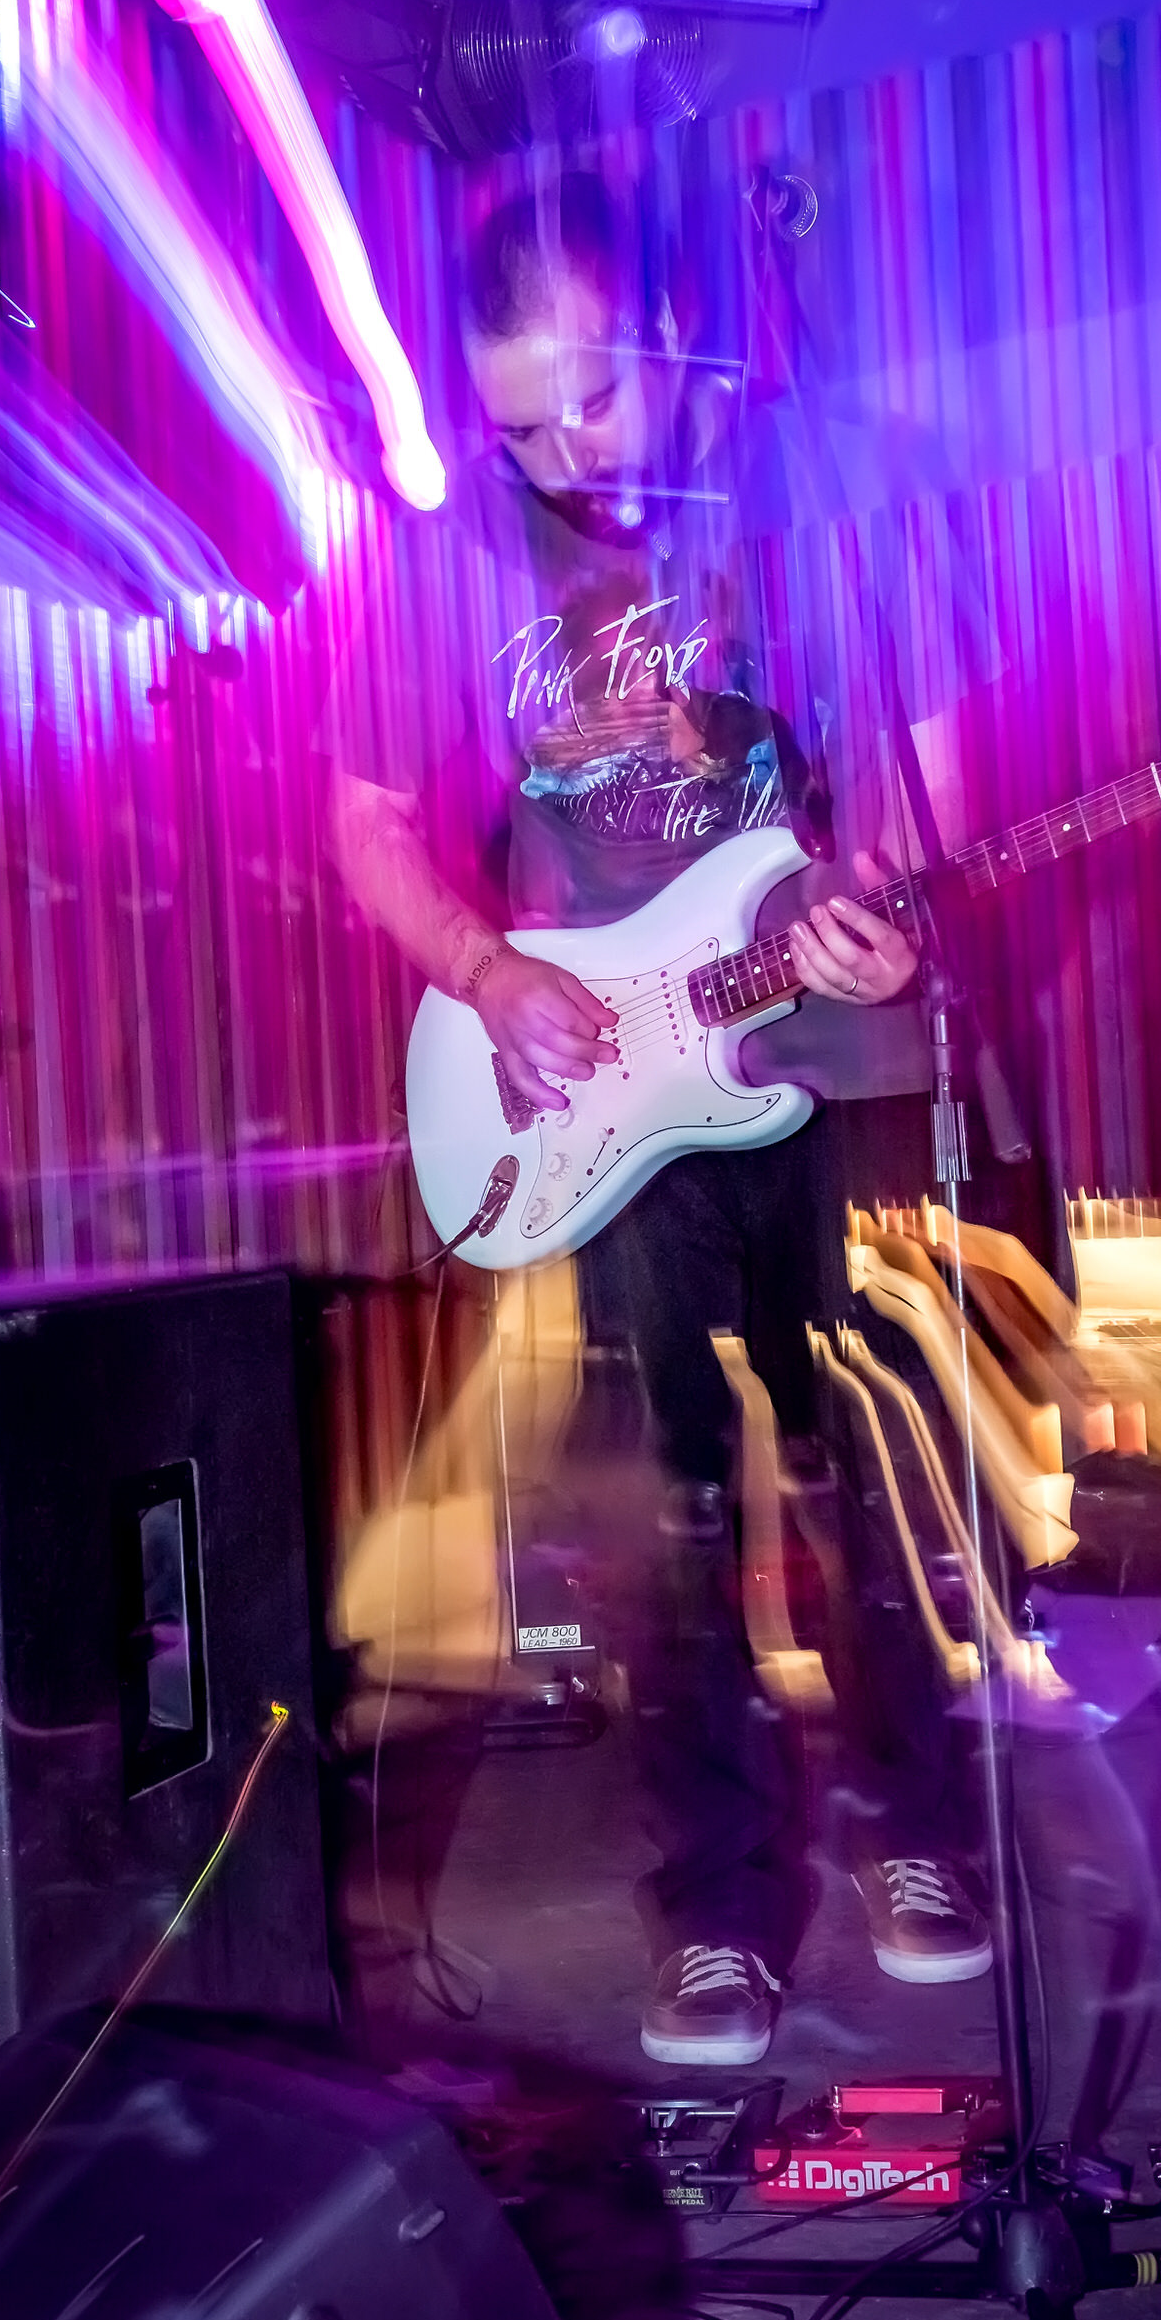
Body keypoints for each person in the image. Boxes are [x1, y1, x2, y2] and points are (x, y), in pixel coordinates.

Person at [329, 172, 996, 2065]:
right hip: (602, 1087)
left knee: (862, 1455)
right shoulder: (445, 552)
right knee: (668, 1495)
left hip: (816, 1051)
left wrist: (888, 908)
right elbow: (366, 826)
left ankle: (916, 1833)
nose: (568, 455)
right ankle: (711, 1908)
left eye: (595, 400)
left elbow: (936, 776)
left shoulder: (821, 490)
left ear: (670, 337)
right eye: (521, 427)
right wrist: (487, 974)